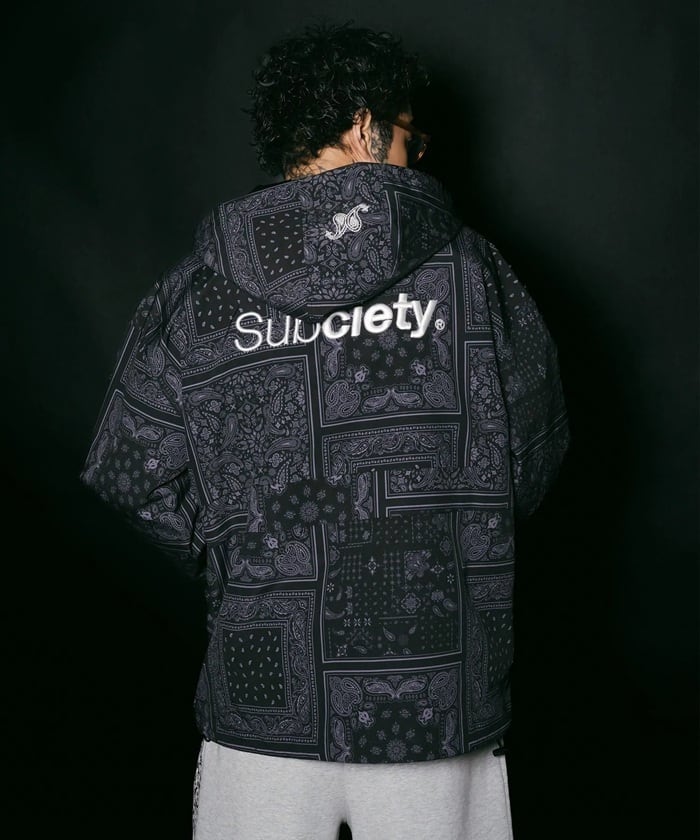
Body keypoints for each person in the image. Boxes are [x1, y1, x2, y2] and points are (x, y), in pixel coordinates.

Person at [80, 21, 570, 840]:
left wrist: (234, 551)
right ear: (365, 125)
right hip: (435, 694)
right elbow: (535, 446)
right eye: (410, 135)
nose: (415, 155)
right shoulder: (472, 274)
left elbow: (126, 470)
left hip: (263, 700)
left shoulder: (195, 292)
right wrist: (455, 529)